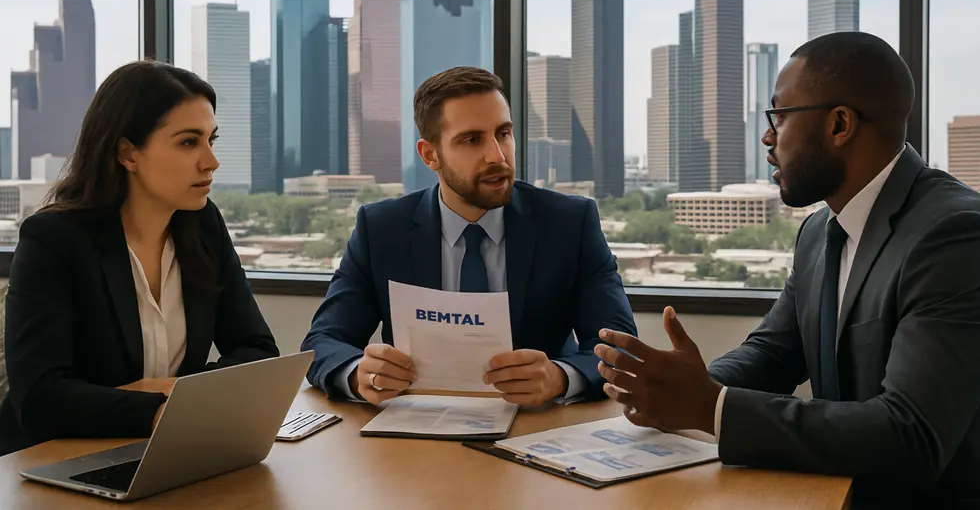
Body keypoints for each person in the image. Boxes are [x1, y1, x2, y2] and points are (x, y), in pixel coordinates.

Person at [594, 31, 980, 508]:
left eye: (779, 115)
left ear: (839, 125)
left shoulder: (954, 235)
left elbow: (911, 435)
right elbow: (773, 355)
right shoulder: (819, 232)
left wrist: (709, 406)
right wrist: (677, 389)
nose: (767, 135)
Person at [302, 66, 636, 406]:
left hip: (538, 429)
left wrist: (561, 377)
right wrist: (359, 373)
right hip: (414, 431)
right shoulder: (381, 229)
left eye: (504, 133)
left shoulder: (569, 223)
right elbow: (324, 341)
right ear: (430, 154)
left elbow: (620, 345)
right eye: (472, 140)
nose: (498, 155)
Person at [0, 60, 280, 456]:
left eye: (210, 140)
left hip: (166, 450)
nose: (211, 161)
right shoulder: (54, 240)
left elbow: (258, 352)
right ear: (127, 153)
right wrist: (159, 410)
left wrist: (178, 397)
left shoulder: (202, 225)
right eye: (188, 142)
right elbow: (41, 399)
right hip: (56, 461)